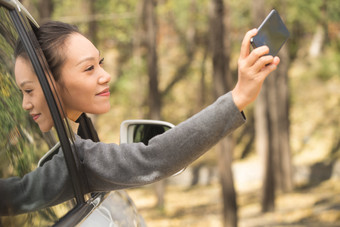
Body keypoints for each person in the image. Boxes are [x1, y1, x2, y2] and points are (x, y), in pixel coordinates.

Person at [0, 21, 280, 216]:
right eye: (88, 68)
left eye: (100, 63)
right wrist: (238, 96)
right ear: (53, 84)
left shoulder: (73, 156)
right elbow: (155, 157)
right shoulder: (75, 160)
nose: (105, 75)